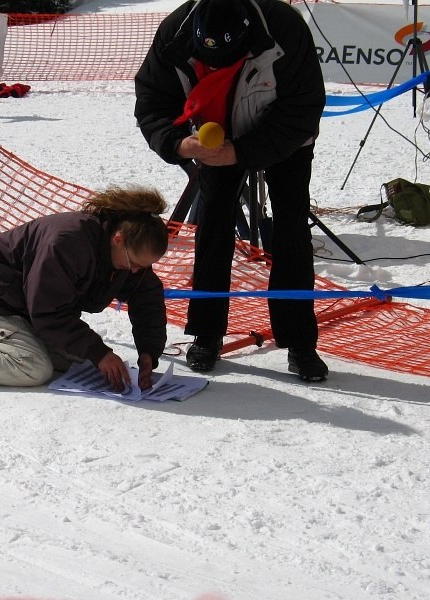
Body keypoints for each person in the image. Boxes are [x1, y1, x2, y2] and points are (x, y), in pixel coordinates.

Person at [134, 0, 328, 382]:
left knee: (291, 230)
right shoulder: (174, 34)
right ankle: (206, 334)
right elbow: (153, 101)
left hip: (285, 137)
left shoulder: (284, 28)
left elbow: (303, 108)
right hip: (215, 134)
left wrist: (241, 152)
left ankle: (300, 342)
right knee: (212, 225)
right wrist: (178, 143)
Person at [0, 186, 170, 391]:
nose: (136, 271)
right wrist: (99, 352)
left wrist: (149, 352)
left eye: (144, 266)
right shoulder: (67, 242)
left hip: (24, 305)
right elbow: (48, 312)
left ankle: (2, 343)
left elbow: (146, 295)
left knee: (75, 362)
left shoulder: (126, 254)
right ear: (118, 239)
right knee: (34, 367)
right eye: (135, 264)